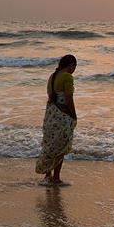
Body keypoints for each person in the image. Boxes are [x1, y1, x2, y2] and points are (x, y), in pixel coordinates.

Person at [36, 54, 78, 185]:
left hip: (50, 114)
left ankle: (47, 176)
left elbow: (50, 97)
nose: (74, 69)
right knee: (61, 146)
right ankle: (56, 178)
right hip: (62, 115)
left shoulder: (52, 77)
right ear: (71, 65)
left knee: (50, 145)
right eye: (74, 66)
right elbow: (68, 98)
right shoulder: (67, 77)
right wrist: (74, 115)